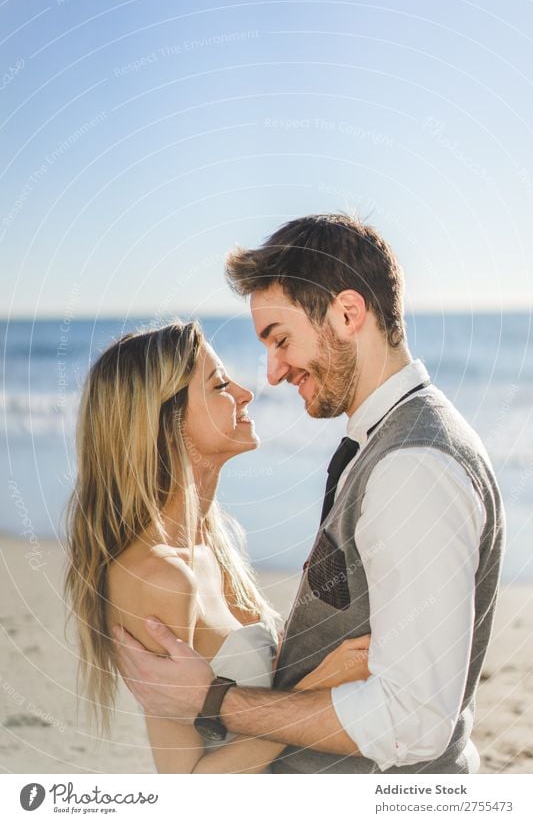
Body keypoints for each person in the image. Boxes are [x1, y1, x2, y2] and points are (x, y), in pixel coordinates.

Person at [114, 214, 505, 774]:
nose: (272, 373)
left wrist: (213, 701)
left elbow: (412, 724)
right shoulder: (380, 446)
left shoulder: (412, 467)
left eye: (281, 340)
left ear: (348, 314)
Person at [64, 320, 370, 774]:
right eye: (220, 385)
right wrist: (322, 687)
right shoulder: (160, 577)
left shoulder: (215, 542)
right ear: (167, 422)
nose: (246, 394)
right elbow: (187, 786)